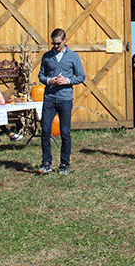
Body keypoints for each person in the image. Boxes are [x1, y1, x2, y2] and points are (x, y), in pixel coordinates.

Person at [38, 29, 86, 175]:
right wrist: (48, 80)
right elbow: (41, 75)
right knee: (45, 130)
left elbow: (81, 76)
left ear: (65, 39)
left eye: (58, 43)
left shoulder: (73, 57)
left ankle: (64, 164)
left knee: (65, 132)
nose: (56, 46)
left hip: (65, 98)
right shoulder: (47, 57)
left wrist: (67, 80)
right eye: (53, 43)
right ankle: (46, 163)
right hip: (49, 98)